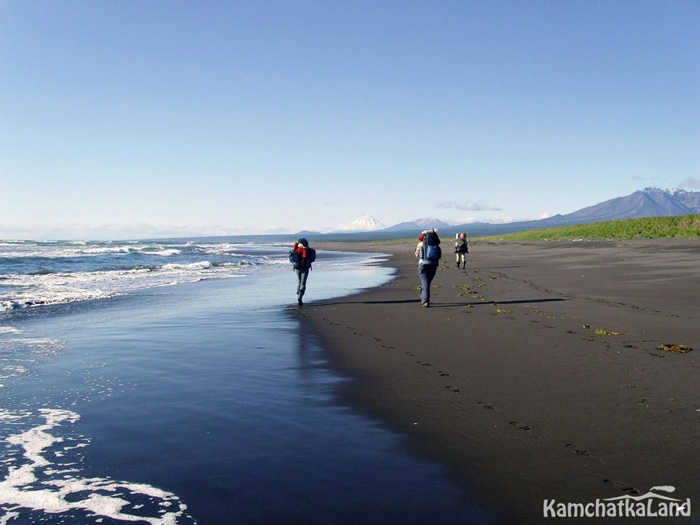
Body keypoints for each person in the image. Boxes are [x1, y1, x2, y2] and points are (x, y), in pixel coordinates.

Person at [414, 229, 441, 307]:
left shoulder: (420, 244)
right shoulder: (436, 243)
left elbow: (417, 255)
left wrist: (416, 251)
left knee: (425, 282)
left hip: (422, 264)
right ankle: (423, 297)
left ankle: (425, 300)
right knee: (427, 282)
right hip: (434, 264)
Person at [289, 237, 316, 306]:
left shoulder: (295, 250)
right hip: (305, 268)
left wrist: (293, 262)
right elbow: (312, 259)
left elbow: (291, 258)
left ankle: (298, 293)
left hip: (297, 267)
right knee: (303, 283)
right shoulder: (309, 250)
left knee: (299, 282)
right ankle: (300, 297)